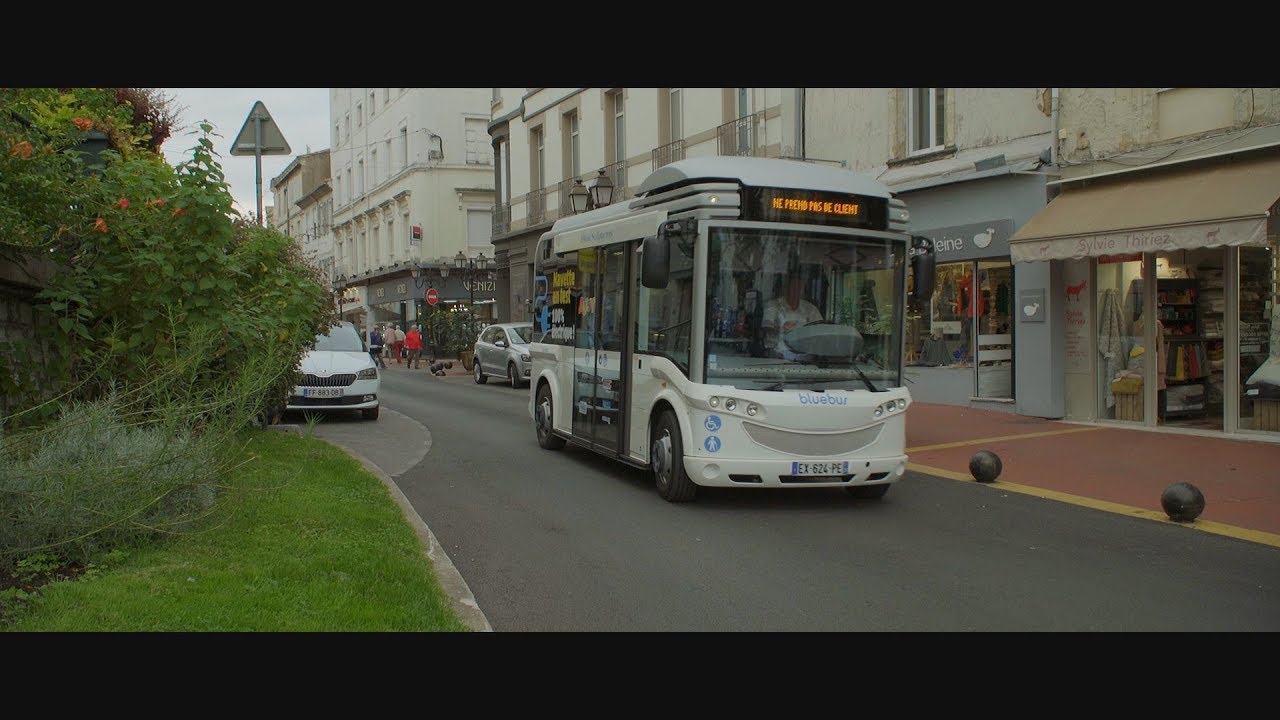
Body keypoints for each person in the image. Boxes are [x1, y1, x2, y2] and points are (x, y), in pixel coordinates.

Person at [763, 274, 823, 355]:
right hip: (776, 354)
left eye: (800, 289)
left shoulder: (810, 309)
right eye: (793, 288)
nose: (796, 291)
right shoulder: (773, 305)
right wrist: (780, 327)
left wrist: (803, 332)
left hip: (804, 355)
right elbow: (767, 327)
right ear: (786, 289)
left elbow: (820, 331)